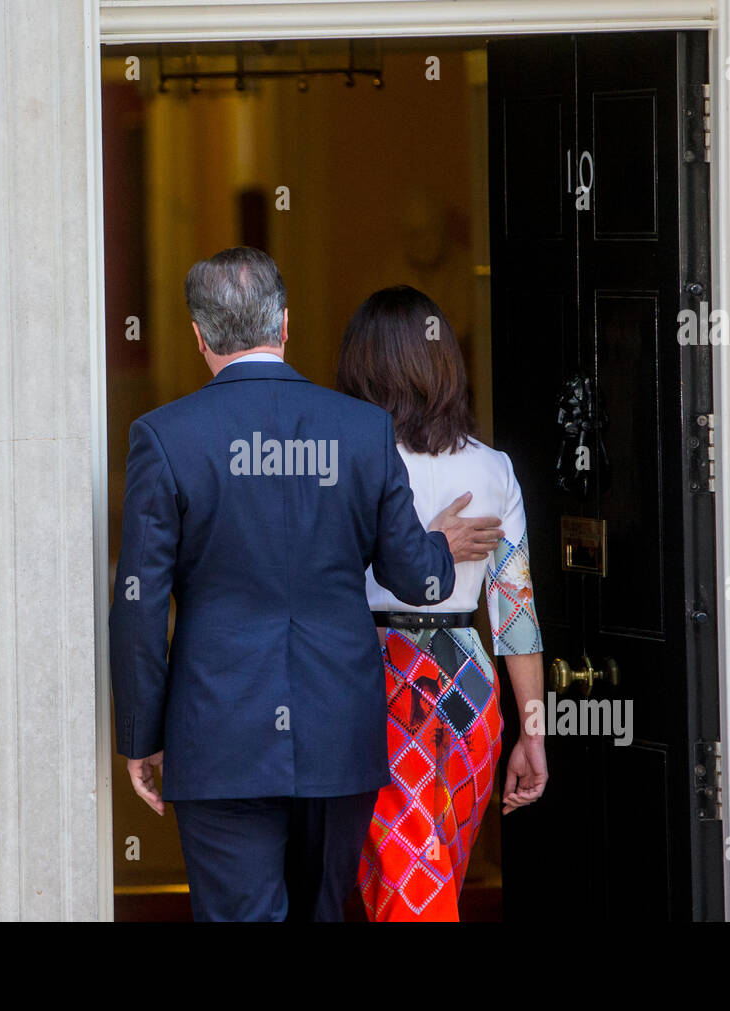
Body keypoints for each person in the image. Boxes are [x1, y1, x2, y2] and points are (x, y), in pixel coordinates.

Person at [109, 248, 505, 922]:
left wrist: (141, 734)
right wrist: (440, 548)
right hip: (339, 732)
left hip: (221, 735)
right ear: (286, 324)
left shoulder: (165, 437)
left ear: (198, 336)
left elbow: (140, 604)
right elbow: (417, 575)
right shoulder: (362, 429)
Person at [336, 285, 548, 922]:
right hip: (468, 688)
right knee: (434, 887)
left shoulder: (343, 463)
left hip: (371, 680)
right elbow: (515, 617)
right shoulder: (494, 470)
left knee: (407, 891)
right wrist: (533, 732)